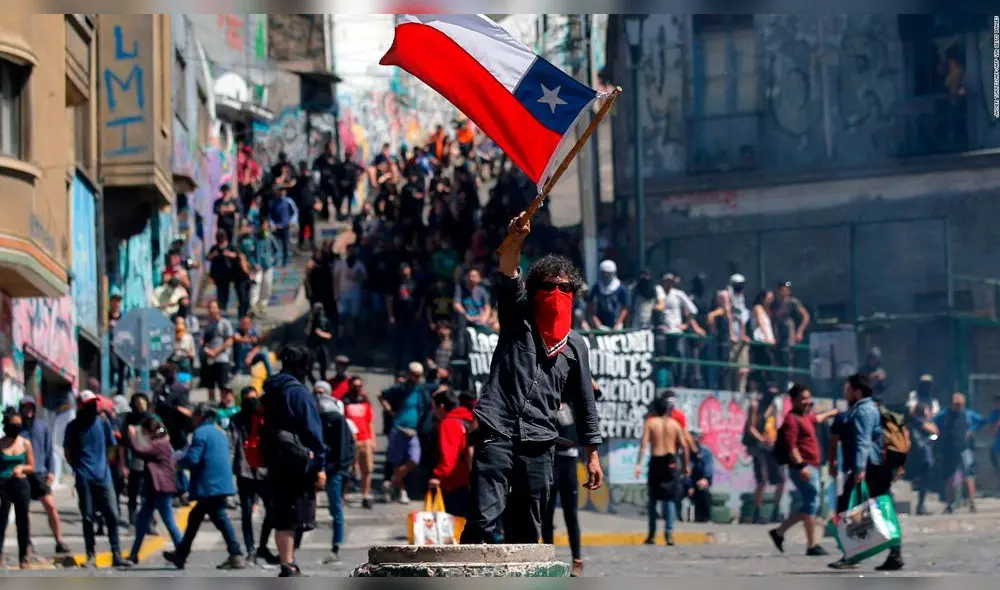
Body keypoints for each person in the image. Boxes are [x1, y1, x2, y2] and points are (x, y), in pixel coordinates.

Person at [460, 213, 603, 545]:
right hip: (498, 427)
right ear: (534, 289)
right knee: (483, 517)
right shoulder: (516, 318)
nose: (556, 292)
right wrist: (516, 239)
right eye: (548, 286)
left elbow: (585, 403)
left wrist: (592, 453)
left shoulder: (576, 345)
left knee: (526, 529)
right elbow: (508, 272)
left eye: (564, 287)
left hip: (540, 440)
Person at [261, 344, 327, 578]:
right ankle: (289, 564)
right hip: (299, 461)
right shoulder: (298, 392)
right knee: (295, 515)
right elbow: (313, 430)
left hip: (275, 457)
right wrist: (320, 463)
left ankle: (287, 561)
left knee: (281, 515)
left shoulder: (271, 389)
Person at [829, 373, 903, 571]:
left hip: (868, 466)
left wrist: (859, 469)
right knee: (879, 508)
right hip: (874, 465)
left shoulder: (863, 410)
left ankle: (851, 555)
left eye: (848, 389)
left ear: (857, 391)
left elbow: (863, 441)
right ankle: (893, 554)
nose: (845, 392)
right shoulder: (867, 408)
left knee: (845, 508)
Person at [164, 403, 247, 570]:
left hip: (209, 484)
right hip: (220, 482)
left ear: (200, 416)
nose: (192, 419)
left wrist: (178, 464)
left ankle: (236, 553)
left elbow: (193, 459)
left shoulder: (200, 433)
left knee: (220, 519)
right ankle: (181, 554)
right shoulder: (219, 432)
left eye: (194, 415)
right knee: (196, 517)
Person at [768, 384, 838, 556]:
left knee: (811, 504)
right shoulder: (792, 419)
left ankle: (780, 532)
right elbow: (792, 447)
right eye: (803, 399)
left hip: (812, 466)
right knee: (812, 503)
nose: (807, 402)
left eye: (808, 398)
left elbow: (817, 419)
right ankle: (811, 545)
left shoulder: (805, 416)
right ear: (793, 401)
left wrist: (832, 413)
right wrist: (801, 466)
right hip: (803, 468)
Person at [64, 391, 131, 568]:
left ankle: (116, 554)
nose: (94, 407)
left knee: (113, 516)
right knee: (88, 517)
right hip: (84, 477)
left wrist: (106, 465)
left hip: (104, 477)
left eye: (95, 403)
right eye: (90, 404)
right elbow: (68, 452)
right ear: (81, 406)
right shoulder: (73, 427)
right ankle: (90, 555)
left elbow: (112, 446)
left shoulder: (103, 422)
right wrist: (78, 469)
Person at [229, 386, 278, 565]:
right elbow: (232, 444)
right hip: (245, 471)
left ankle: (262, 546)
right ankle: (250, 549)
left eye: (254, 399)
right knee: (246, 513)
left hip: (264, 471)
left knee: (272, 509)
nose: (251, 403)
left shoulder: (265, 419)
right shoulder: (236, 420)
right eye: (247, 400)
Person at [125, 415, 183, 564]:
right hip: (153, 487)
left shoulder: (159, 444)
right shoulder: (161, 439)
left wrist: (132, 437)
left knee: (169, 521)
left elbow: (140, 451)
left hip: (162, 487)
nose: (142, 434)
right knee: (142, 521)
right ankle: (134, 554)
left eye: (144, 431)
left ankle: (183, 550)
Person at [17, 397, 70, 557]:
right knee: (24, 511)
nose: (28, 410)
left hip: (40, 473)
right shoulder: (17, 428)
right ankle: (26, 542)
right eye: (25, 407)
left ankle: (59, 540)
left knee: (50, 506)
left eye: (30, 407)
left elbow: (49, 451)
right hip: (24, 474)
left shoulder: (42, 427)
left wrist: (52, 471)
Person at [542, 396, 586, 576]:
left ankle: (577, 559)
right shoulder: (546, 399)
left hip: (569, 460)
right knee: (547, 513)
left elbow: (594, 393)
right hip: (550, 458)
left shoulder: (574, 402)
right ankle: (548, 559)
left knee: (571, 514)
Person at [636, 394, 688, 546]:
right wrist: (686, 466)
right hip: (671, 461)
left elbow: (644, 444)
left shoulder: (651, 423)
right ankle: (669, 534)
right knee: (669, 499)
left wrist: (638, 464)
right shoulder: (675, 424)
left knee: (653, 499)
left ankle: (652, 534)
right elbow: (684, 447)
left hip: (656, 460)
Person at [378, 362, 427, 504]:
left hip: (413, 430)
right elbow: (381, 395)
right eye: (415, 375)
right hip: (399, 428)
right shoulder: (400, 388)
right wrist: (389, 410)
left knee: (414, 459)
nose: (417, 378)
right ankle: (401, 491)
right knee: (397, 461)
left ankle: (392, 483)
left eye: (419, 375)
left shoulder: (420, 390)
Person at [316, 391, 355, 564]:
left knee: (336, 510)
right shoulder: (338, 421)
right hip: (334, 470)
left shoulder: (333, 421)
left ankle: (336, 546)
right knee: (335, 509)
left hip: (332, 471)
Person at [933, 392, 986, 514]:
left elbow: (982, 421)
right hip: (949, 449)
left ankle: (972, 502)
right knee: (949, 478)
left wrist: (972, 430)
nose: (958, 407)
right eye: (956, 404)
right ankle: (950, 504)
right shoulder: (944, 415)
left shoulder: (968, 415)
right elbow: (933, 422)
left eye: (960, 404)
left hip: (964, 449)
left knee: (969, 476)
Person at [429, 387, 474, 519]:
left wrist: (437, 476)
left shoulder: (449, 423)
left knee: (456, 525)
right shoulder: (470, 418)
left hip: (456, 482)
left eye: (434, 408)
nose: (434, 412)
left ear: (441, 407)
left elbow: (449, 458)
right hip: (473, 479)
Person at [743, 385, 784, 523]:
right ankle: (757, 511)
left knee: (780, 479)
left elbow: (774, 425)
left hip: (771, 445)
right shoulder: (755, 406)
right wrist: (761, 439)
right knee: (762, 479)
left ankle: (775, 510)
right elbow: (750, 427)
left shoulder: (773, 407)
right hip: (758, 446)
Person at [0, 408, 34, 569]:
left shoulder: (25, 443)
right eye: (13, 425)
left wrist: (22, 469)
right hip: (3, 485)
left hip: (21, 484)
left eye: (19, 425)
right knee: (2, 521)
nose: (16, 427)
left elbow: (32, 466)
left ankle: (23, 557)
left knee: (22, 521)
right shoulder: (1, 443)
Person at [343, 377, 376, 509]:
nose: (357, 389)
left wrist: (372, 439)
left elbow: (370, 421)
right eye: (354, 386)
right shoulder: (344, 402)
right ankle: (343, 495)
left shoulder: (365, 401)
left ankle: (365, 495)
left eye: (359, 386)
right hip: (351, 441)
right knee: (349, 469)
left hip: (365, 439)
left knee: (367, 469)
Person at [201, 299, 235, 403]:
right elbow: (203, 341)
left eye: (214, 307)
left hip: (221, 358)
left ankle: (225, 404)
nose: (212, 310)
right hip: (210, 359)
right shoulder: (207, 325)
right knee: (210, 385)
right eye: (210, 308)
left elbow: (229, 340)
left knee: (223, 385)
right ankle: (211, 404)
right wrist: (206, 350)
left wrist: (216, 352)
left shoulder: (224, 323)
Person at [588, 259, 631, 330]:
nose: (606, 276)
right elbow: (590, 303)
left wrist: (619, 322)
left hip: (616, 323)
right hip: (600, 324)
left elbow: (625, 307)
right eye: (604, 273)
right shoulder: (597, 287)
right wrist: (595, 319)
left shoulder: (620, 288)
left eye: (608, 273)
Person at [685, 430, 714, 523]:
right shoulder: (684, 453)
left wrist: (705, 479)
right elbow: (683, 471)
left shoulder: (705, 453)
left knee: (704, 490)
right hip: (687, 482)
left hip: (699, 481)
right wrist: (689, 486)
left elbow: (708, 469)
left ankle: (705, 518)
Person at [305, 303, 334, 384]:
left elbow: (330, 335)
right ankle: (315, 384)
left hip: (321, 346)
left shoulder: (325, 321)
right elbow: (306, 332)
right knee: (308, 369)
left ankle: (323, 384)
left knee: (323, 369)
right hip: (311, 346)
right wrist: (311, 320)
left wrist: (321, 334)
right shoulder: (310, 320)